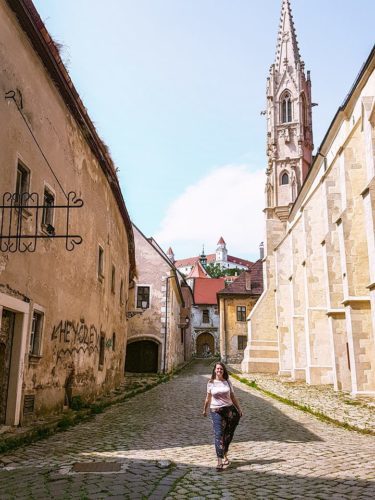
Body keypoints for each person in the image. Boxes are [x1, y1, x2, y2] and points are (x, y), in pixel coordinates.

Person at [202, 362, 243, 471]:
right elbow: (208, 398)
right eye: (217, 369)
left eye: (221, 369)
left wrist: (239, 408)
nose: (219, 371)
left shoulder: (228, 382)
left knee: (228, 433)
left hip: (229, 409)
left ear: (223, 371)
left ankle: (225, 453)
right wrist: (204, 409)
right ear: (214, 370)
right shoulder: (210, 383)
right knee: (219, 434)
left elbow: (233, 397)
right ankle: (219, 461)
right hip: (216, 410)